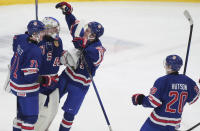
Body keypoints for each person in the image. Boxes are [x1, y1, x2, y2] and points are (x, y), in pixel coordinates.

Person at [55, 2, 106, 131]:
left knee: (69, 114)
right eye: (87, 28)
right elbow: (74, 24)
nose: (85, 30)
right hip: (66, 76)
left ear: (93, 35)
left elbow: (98, 56)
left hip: (80, 85)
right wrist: (68, 12)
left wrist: (84, 46)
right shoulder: (82, 36)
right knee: (49, 102)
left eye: (88, 30)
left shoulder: (98, 48)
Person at [132, 55, 200, 131]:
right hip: (174, 125)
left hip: (156, 124)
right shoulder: (188, 81)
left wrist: (140, 99)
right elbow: (194, 98)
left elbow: (153, 102)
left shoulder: (162, 81)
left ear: (169, 66)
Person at [9, 20, 45, 131]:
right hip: (26, 88)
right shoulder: (35, 51)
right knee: (31, 118)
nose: (44, 33)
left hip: (15, 83)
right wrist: (45, 80)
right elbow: (30, 77)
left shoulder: (21, 38)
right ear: (35, 34)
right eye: (41, 31)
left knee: (21, 115)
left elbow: (16, 43)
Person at [34, 17, 64, 131]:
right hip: (40, 82)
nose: (56, 31)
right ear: (46, 29)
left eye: (57, 28)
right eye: (53, 29)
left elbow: (57, 57)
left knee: (53, 110)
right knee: (39, 111)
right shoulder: (38, 41)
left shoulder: (58, 40)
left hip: (54, 82)